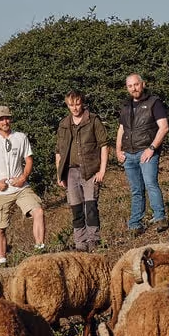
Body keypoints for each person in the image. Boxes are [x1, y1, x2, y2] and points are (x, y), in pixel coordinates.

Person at [0, 105, 46, 265]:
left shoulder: (20, 137)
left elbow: (29, 159)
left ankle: (40, 249)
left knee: (38, 211)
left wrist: (23, 177)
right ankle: (2, 262)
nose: (5, 121)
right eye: (1, 119)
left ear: (11, 119)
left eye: (7, 118)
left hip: (21, 187)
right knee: (0, 227)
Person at [115, 73, 169, 233]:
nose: (134, 88)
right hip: (128, 155)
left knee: (150, 184)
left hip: (147, 152)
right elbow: (121, 129)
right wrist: (118, 151)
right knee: (136, 189)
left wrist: (151, 148)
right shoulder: (125, 106)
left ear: (143, 84)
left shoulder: (154, 102)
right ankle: (135, 224)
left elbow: (164, 127)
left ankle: (160, 218)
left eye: (136, 84)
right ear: (127, 88)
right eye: (130, 86)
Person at [54, 90, 109, 252]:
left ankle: (94, 239)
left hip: (90, 170)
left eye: (77, 103)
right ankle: (80, 242)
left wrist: (102, 170)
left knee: (91, 207)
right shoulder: (64, 124)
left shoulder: (93, 120)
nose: (75, 107)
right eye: (71, 104)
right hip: (70, 172)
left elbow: (104, 145)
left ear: (82, 102)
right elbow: (58, 151)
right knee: (76, 209)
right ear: (67, 105)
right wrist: (59, 174)